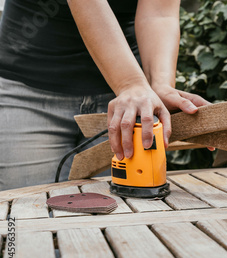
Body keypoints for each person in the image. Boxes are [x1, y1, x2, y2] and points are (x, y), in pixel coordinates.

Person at [0, 0, 209, 191]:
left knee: (119, 216)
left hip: (122, 102)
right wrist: (131, 84)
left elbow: (159, 13)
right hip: (28, 90)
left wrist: (160, 86)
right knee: (27, 213)